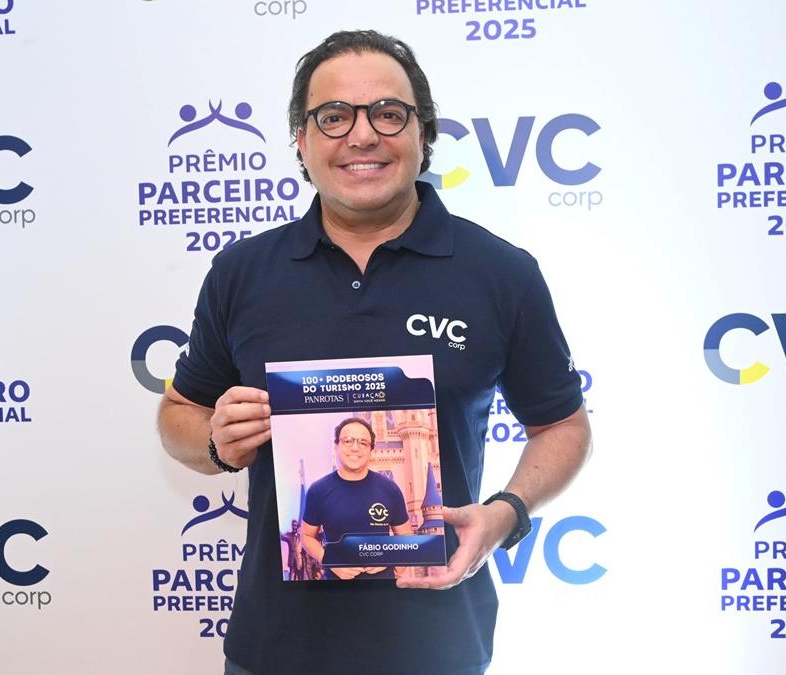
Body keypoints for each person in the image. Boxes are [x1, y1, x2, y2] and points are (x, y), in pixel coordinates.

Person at [158, 29, 591, 675]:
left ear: (423, 133)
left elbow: (562, 425)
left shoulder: (501, 272)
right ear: (302, 141)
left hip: (440, 645)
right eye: (334, 117)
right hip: (276, 649)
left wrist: (507, 512)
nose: (362, 136)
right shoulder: (241, 272)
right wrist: (215, 440)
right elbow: (178, 416)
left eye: (388, 113)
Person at [299, 417, 414, 580]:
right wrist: (329, 560)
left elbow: (406, 536)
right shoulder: (318, 490)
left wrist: (394, 562)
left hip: (383, 587)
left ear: (371, 450)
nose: (355, 447)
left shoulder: (390, 489)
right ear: (336, 446)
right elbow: (306, 536)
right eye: (348, 441)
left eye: (363, 443)